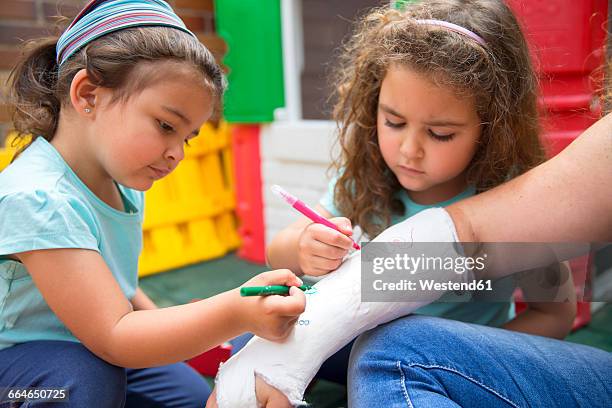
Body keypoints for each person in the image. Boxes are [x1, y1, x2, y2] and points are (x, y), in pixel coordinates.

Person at [209, 0, 611, 405]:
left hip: (436, 357)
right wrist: (302, 246)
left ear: (492, 129)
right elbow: (278, 252)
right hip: (348, 342)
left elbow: (554, 312)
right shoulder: (364, 179)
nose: (409, 150)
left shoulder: (516, 202)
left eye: (439, 133)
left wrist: (466, 361)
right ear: (373, 106)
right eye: (394, 122)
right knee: (257, 338)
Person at [0, 1, 305, 406]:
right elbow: (114, 335)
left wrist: (171, 325)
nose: (177, 153)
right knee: (82, 379)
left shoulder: (122, 183)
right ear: (88, 94)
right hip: (18, 368)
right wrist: (234, 311)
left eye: (187, 137)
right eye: (165, 126)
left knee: (190, 396)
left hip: (89, 339)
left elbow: (114, 288)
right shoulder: (39, 198)